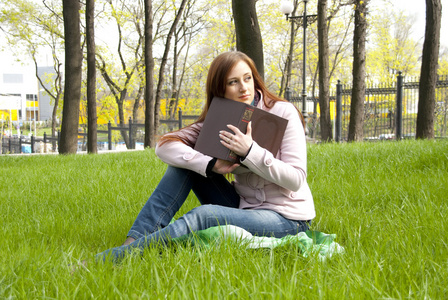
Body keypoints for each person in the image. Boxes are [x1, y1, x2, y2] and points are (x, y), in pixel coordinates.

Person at [96, 51, 315, 262]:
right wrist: (210, 164)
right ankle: (133, 242)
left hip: (286, 217)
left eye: (248, 78)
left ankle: (111, 259)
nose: (244, 88)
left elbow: (296, 180)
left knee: (205, 215)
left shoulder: (282, 112)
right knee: (184, 165)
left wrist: (250, 151)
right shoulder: (219, 120)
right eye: (233, 82)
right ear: (220, 90)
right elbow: (164, 147)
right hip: (242, 206)